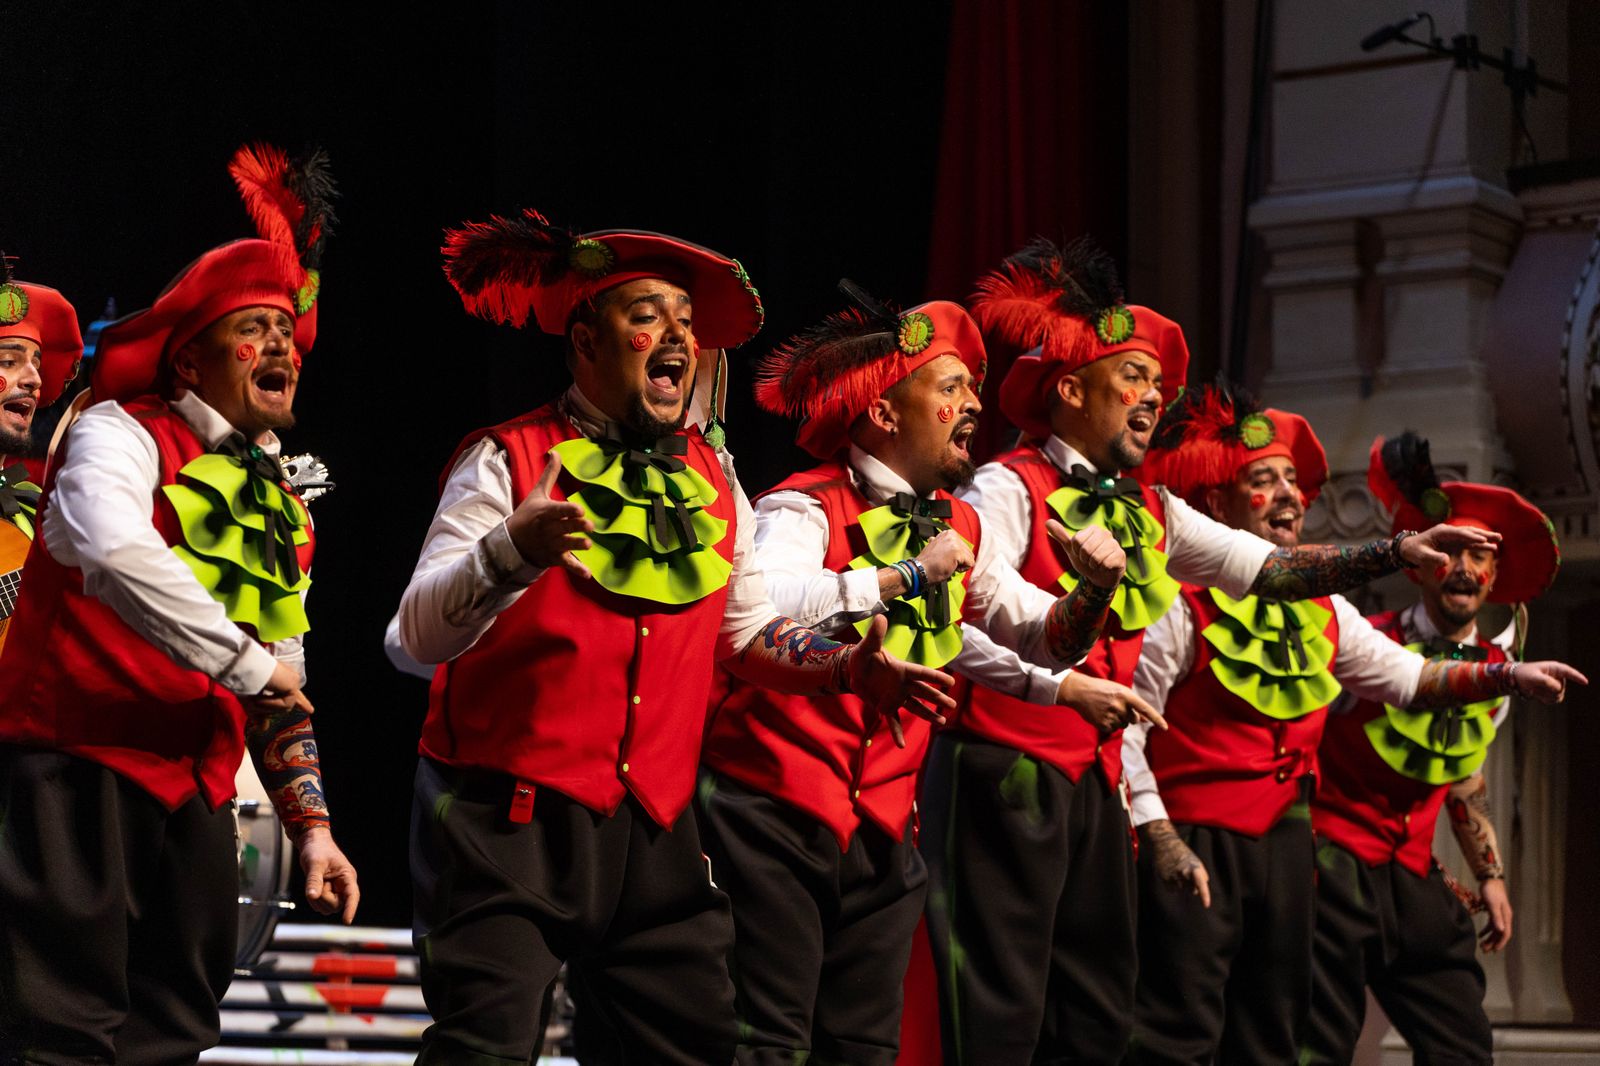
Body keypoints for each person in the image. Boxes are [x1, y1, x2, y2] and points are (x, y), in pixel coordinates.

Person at [399, 210, 959, 1065]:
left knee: (693, 1048)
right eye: (648, 315)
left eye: (688, 324)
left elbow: (744, 634)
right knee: (486, 1050)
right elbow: (411, 639)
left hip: (652, 832)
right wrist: (510, 550)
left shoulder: (712, 475)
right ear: (586, 339)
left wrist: (846, 666)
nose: (678, 338)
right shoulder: (506, 459)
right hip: (506, 823)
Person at [927, 236, 1504, 1065]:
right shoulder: (1010, 485)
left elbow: (1267, 569)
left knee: (1094, 1017)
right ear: (1070, 389)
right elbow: (982, 596)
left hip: (1089, 783)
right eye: (1132, 377)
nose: (1151, 396)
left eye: (1158, 386)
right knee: (999, 1014)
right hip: (1003, 768)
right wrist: (1078, 611)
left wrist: (1392, 552)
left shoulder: (1154, 508)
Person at [697, 284, 1129, 1065]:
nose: (974, 404)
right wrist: (902, 576)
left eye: (972, 387)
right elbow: (765, 603)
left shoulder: (961, 524)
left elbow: (1042, 636)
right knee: (769, 1046)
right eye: (952, 386)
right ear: (887, 414)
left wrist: (1092, 590)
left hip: (886, 830)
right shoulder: (804, 507)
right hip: (769, 813)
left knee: (862, 1048)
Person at [0, 144, 359, 1066]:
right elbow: (108, 544)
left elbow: (288, 684)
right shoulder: (120, 434)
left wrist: (312, 830)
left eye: (289, 330)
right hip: (77, 774)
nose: (282, 345)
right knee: (60, 1034)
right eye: (254, 327)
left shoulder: (281, 501)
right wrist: (246, 665)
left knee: (175, 1036)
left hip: (195, 793)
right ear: (189, 357)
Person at [1120, 390, 1583, 1065]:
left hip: (1286, 853)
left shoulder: (1329, 611)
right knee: (1178, 1035)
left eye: (1293, 482)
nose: (1288, 494)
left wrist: (1506, 676)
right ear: (1218, 505)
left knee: (1271, 1039)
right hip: (1204, 845)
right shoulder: (1182, 605)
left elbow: (1411, 679)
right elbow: (1130, 723)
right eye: (1263, 479)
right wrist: (1159, 835)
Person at [1301, 431, 1568, 1065]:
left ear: (1495, 577)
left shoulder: (1499, 675)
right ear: (1423, 564)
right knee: (1317, 1048)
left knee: (1462, 1048)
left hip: (1412, 873)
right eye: (1454, 553)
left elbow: (1463, 775)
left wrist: (1492, 878)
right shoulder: (1365, 644)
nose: (1467, 570)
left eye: (1482, 558)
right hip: (1332, 871)